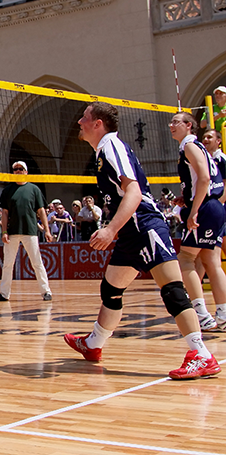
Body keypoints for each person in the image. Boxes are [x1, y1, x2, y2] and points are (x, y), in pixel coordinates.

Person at [65, 103, 219, 380]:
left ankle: (202, 355)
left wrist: (109, 230)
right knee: (111, 288)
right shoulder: (103, 151)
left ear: (98, 123)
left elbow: (133, 191)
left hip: (144, 225)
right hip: (131, 232)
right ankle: (93, 344)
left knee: (172, 290)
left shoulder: (112, 146)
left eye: (84, 117)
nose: (79, 122)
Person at [169, 112, 226, 332]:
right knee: (211, 260)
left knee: (185, 258)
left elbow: (204, 178)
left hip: (205, 208)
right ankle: (222, 314)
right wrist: (188, 196)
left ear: (189, 126)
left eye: (176, 122)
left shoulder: (190, 146)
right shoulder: (196, 147)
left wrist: (193, 210)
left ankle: (201, 315)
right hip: (212, 206)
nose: (171, 125)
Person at [0, 161, 54, 302]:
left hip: (30, 231)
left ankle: (46, 292)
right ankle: (4, 294)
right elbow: (4, 213)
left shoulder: (34, 189)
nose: (18, 171)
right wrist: (4, 232)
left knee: (37, 263)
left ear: (26, 172)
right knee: (8, 264)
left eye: (21, 169)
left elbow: (41, 211)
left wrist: (47, 230)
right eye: (15, 169)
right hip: (12, 232)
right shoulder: (7, 190)